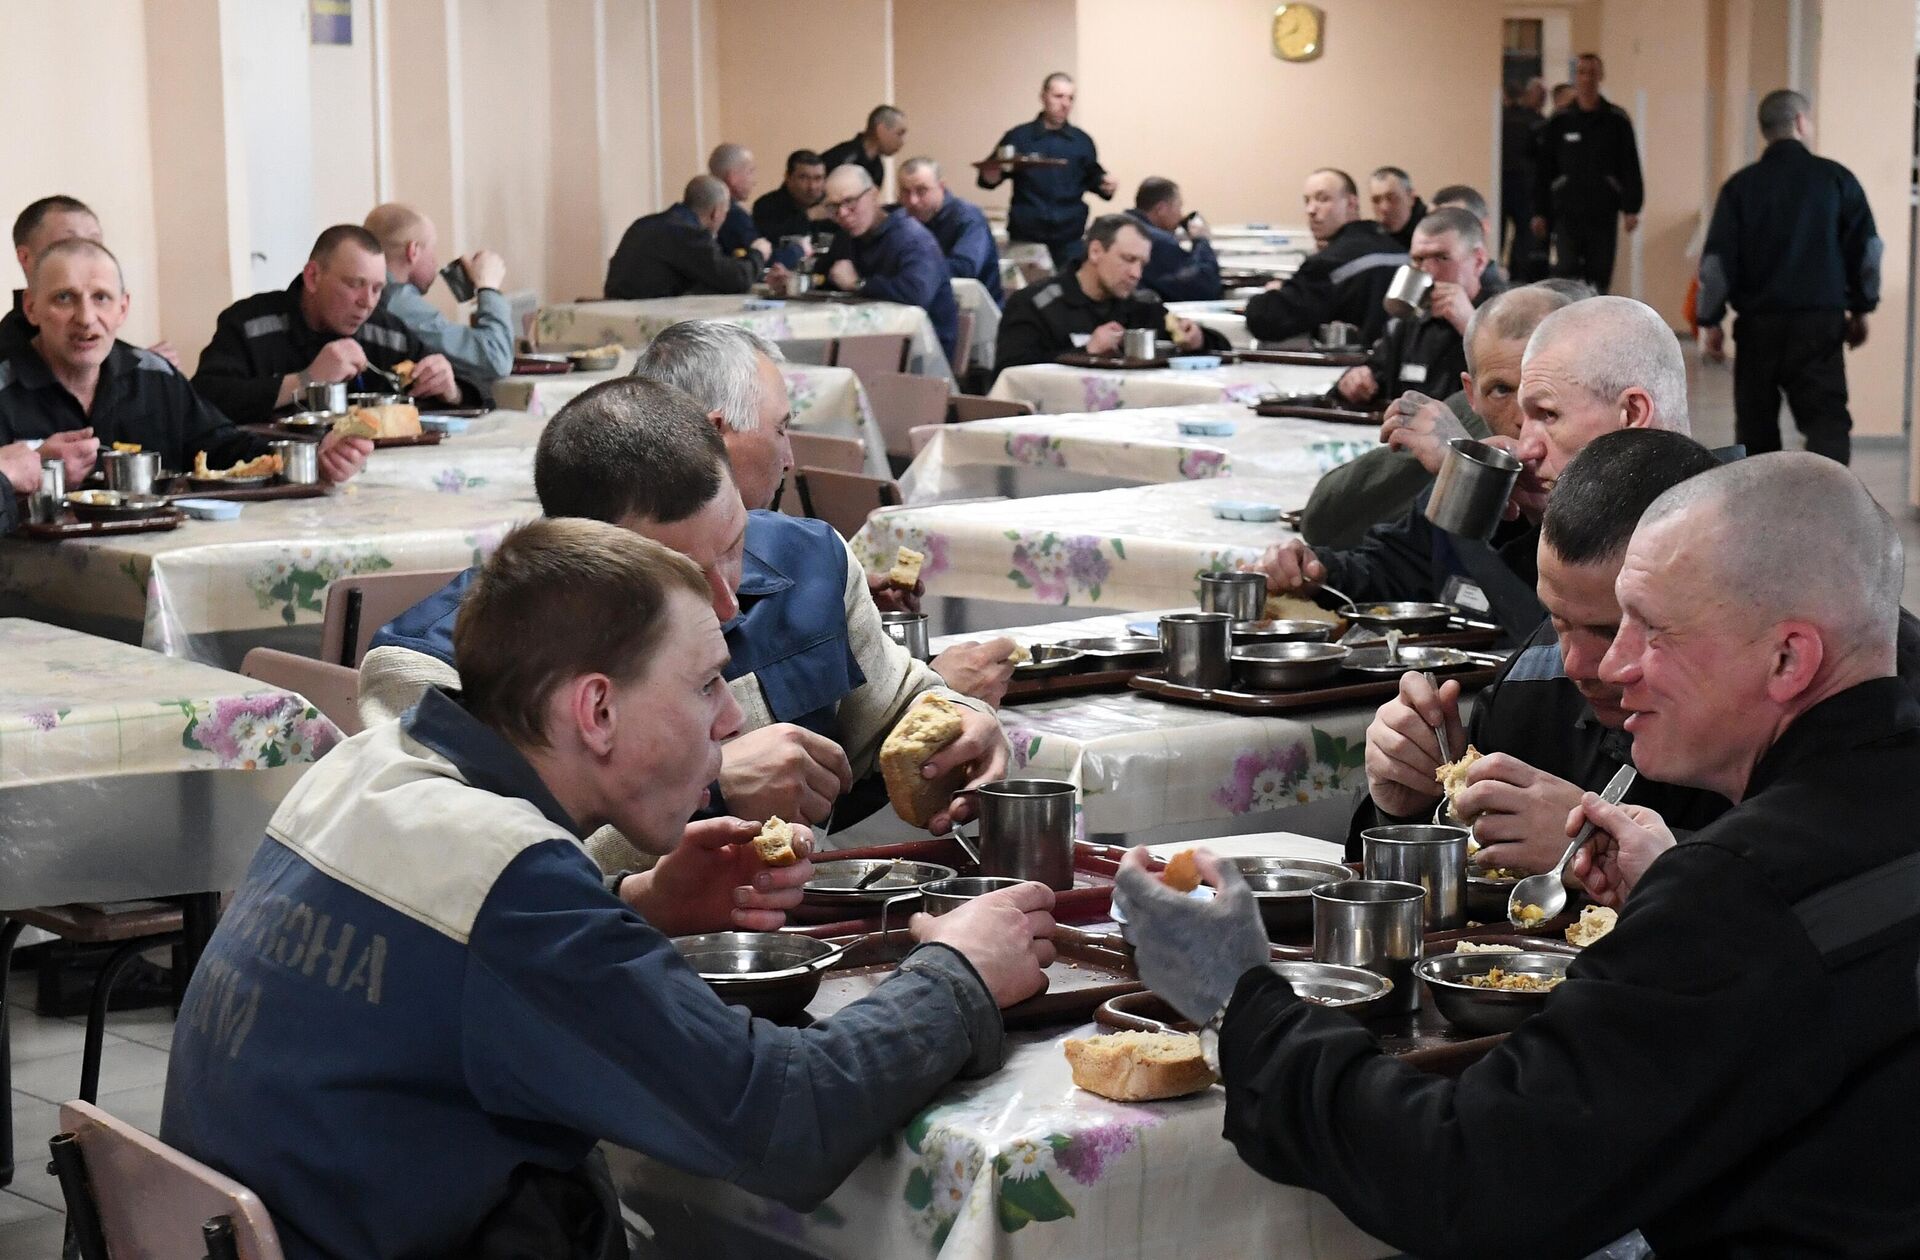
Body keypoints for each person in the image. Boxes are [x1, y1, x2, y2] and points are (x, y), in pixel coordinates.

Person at [166, 513, 1059, 1260]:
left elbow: (453, 984)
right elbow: (787, 1118)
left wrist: (634, 909)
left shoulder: (365, 767)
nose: (731, 719)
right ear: (594, 711)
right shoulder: (507, 880)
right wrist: (958, 973)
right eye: (707, 682)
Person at [1114, 451, 1920, 1257]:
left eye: (1652, 631)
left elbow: (1466, 1176)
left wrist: (1240, 1004)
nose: (1610, 665)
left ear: (1789, 658)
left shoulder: (1739, 897)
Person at [360, 372, 1011, 841]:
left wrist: (967, 719)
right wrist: (713, 787)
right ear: (581, 555)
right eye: (684, 577)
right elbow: (488, 882)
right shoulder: (436, 676)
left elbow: (901, 708)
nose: (727, 604)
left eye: (734, 544)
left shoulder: (812, 563)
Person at [1352, 428, 1732, 868]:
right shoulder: (1533, 684)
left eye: (1612, 631)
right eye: (1558, 621)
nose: (1576, 664)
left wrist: (1594, 847)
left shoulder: (1776, 723)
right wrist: (1409, 809)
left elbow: (1809, 902)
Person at [1259, 295, 1690, 645]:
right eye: (1503, 392)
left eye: (1548, 411)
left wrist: (1486, 487)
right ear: (1471, 397)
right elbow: (1393, 571)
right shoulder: (1489, 477)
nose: (1525, 437)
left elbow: (1566, 660)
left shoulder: (1689, 533)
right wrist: (1316, 575)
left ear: (1631, 412)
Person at [1, 240, 368, 529]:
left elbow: (226, 447)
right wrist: (33, 471)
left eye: (101, 298)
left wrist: (311, 458)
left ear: (123, 309)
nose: (86, 318)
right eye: (64, 298)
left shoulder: (152, 375)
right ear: (31, 307)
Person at [1298, 281, 1580, 549]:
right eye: (1502, 390)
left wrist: (1468, 474)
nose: (1523, 416)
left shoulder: (1608, 453)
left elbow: (1560, 592)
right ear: (1473, 395)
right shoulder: (1468, 420)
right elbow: (1328, 525)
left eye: (1544, 394)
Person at [1698, 89, 1879, 465]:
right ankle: (1828, 504)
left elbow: (1716, 263)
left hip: (1757, 326)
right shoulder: (1835, 179)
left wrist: (1710, 320)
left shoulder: (1740, 187)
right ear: (1800, 123)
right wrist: (1861, 308)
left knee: (1755, 428)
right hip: (1820, 323)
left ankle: (1762, 512)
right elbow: (1868, 251)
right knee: (1826, 421)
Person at [193, 225, 487, 425]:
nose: (367, 302)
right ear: (312, 277)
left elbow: (477, 399)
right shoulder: (251, 324)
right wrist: (305, 381)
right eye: (354, 284)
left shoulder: (386, 332)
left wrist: (452, 390)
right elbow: (203, 401)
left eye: (377, 289)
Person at [993, 215, 1228, 372]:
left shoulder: (1139, 305)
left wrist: (1198, 339)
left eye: (1142, 264)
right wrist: (1086, 353)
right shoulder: (1035, 304)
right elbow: (1011, 374)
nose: (1136, 273)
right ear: (1096, 252)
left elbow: (1222, 348)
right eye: (1128, 259)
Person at [1330, 208, 1497, 411]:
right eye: (1418, 259)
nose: (1428, 271)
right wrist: (1352, 382)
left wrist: (1470, 326)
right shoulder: (1406, 323)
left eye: (1441, 258)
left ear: (1478, 261)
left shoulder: (1505, 315)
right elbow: (1373, 376)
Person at [4, 195, 180, 367]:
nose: (86, 319)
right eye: (68, 244)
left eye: (95, 244)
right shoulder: (7, 362)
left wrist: (145, 373)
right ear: (26, 257)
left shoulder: (148, 373)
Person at [812, 165, 961, 365]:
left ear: (874, 194)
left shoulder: (913, 238)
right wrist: (792, 281)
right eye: (833, 207)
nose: (844, 214)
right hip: (868, 344)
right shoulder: (848, 236)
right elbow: (824, 278)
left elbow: (916, 294)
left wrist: (858, 284)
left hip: (921, 355)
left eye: (850, 202)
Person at [1243, 169, 1405, 347]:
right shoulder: (1398, 249)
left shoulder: (1329, 263)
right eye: (1307, 201)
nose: (1311, 210)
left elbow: (1266, 319)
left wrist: (1273, 293)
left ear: (1351, 203)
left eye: (1323, 199)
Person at [977, 73, 1116, 270]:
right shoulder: (1018, 137)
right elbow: (991, 177)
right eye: (1058, 96)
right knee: (1027, 296)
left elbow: (1094, 178)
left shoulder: (1082, 141)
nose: (1065, 103)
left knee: (1069, 296)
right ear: (1043, 97)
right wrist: (990, 177)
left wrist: (1106, 185)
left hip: (1070, 240)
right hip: (1026, 238)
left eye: (1070, 98)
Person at [362, 202, 513, 383]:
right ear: (414, 251)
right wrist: (488, 287)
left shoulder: (368, 291)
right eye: (433, 249)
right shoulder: (398, 302)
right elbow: (496, 359)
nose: (436, 261)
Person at [1532, 53, 1643, 292]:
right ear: (1575, 78)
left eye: (1592, 73)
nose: (1587, 79)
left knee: (1600, 274)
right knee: (1566, 272)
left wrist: (1631, 208)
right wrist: (1539, 211)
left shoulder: (1617, 120)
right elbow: (1544, 169)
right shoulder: (1560, 121)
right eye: (1582, 73)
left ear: (1600, 76)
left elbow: (1630, 164)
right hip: (1566, 212)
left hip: (1603, 211)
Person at [604, 176, 771, 301]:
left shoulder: (645, 223)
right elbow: (734, 280)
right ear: (716, 212)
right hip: (647, 316)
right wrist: (758, 253)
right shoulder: (688, 233)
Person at [896, 157, 1005, 307]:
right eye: (905, 192)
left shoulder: (968, 217)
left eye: (922, 191)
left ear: (941, 186)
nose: (912, 201)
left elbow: (964, 268)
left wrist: (912, 272)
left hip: (977, 312)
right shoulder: (900, 216)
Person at [1123, 177, 1222, 302]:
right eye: (1179, 207)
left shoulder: (1122, 227)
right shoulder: (1158, 241)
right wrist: (1201, 241)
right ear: (1161, 209)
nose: (1181, 215)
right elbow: (1202, 287)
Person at [1501, 79, 1549, 279]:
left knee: (1517, 237)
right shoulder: (1537, 122)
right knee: (1522, 238)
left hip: (1513, 184)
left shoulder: (1504, 118)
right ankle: (1516, 276)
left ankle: (1514, 275)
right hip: (1520, 185)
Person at [752, 149, 829, 262]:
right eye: (803, 178)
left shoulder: (832, 204)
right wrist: (806, 217)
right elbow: (770, 241)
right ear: (788, 177)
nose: (812, 186)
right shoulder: (766, 205)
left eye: (818, 178)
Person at [1430, 184, 1506, 293]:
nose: (1439, 234)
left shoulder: (1505, 301)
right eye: (1431, 224)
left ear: (1483, 227)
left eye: (1455, 224)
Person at [820, 105, 908, 192]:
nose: (903, 141)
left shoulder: (878, 168)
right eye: (899, 133)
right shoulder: (841, 157)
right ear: (881, 130)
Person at [708, 143, 760, 255]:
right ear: (733, 177)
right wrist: (797, 249)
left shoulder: (701, 208)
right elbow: (760, 259)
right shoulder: (735, 216)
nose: (755, 181)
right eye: (750, 171)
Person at [1369, 166, 1427, 251]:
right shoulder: (1370, 238)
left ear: (1411, 198)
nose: (1384, 208)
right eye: (1376, 200)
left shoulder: (1435, 233)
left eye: (1392, 198)